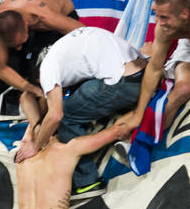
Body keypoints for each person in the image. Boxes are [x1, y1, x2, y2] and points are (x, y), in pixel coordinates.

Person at [16, 26, 146, 200]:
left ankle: (86, 181)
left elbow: (56, 116)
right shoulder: (64, 46)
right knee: (74, 101)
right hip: (143, 74)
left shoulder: (47, 70)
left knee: (66, 117)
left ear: (39, 80)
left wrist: (35, 146)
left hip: (123, 82)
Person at [117, 0, 190, 148]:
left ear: (183, 11)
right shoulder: (163, 29)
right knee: (183, 89)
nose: (159, 21)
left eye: (163, 15)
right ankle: (140, 142)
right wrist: (139, 114)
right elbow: (154, 69)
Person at [0, 0, 83, 114]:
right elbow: (0, 69)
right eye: (13, 45)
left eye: (21, 43)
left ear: (26, 24)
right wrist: (32, 89)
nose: (18, 48)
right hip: (19, 21)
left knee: (40, 73)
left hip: (57, 20)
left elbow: (87, 35)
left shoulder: (46, 17)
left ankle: (45, 121)